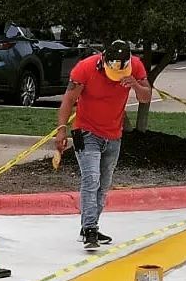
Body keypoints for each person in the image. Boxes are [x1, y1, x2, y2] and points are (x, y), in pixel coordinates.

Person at [54, 39, 152, 250]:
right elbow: (69, 100)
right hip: (86, 132)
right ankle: (89, 229)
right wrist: (61, 129)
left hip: (113, 135)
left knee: (103, 184)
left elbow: (146, 97)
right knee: (91, 180)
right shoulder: (85, 68)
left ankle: (90, 225)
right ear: (104, 61)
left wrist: (135, 84)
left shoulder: (135, 66)